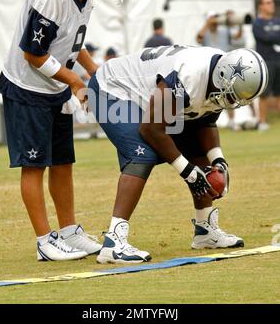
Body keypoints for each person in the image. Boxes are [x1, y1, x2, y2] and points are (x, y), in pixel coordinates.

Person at [0, 0, 123, 261]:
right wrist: (76, 83)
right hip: (28, 89)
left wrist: (97, 72)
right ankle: (44, 240)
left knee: (63, 163)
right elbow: (33, 55)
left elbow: (71, 43)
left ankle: (69, 231)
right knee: (34, 165)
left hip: (54, 89)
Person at [87, 45, 268, 264]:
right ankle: (113, 242)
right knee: (142, 155)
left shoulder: (220, 74)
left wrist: (218, 160)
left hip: (147, 98)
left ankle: (205, 231)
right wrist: (189, 172)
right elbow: (151, 128)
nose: (232, 102)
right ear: (222, 77)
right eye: (232, 96)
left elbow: (205, 123)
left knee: (196, 146)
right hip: (112, 88)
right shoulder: (191, 75)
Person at [253, 0, 280, 131]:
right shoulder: (257, 23)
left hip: (278, 60)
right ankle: (262, 121)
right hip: (266, 62)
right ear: (261, 6)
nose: (271, 5)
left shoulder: (277, 21)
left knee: (279, 93)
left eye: (272, 2)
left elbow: (271, 37)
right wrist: (275, 37)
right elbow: (264, 37)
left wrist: (272, 37)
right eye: (268, 2)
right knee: (264, 93)